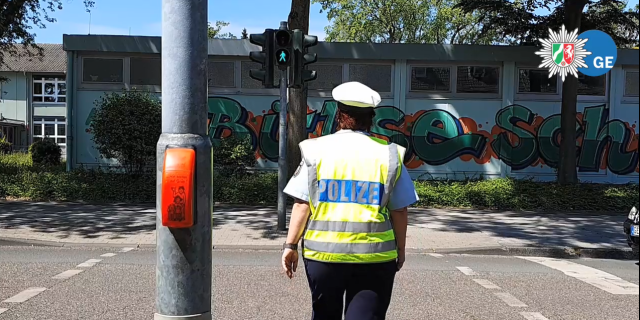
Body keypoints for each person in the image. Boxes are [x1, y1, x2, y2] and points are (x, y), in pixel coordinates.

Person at [280, 81, 419, 320]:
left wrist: (290, 246)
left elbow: (302, 204)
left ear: (339, 114)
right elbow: (399, 210)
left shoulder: (316, 150)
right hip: (375, 258)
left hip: (323, 256)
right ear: (371, 118)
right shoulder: (390, 154)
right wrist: (401, 249)